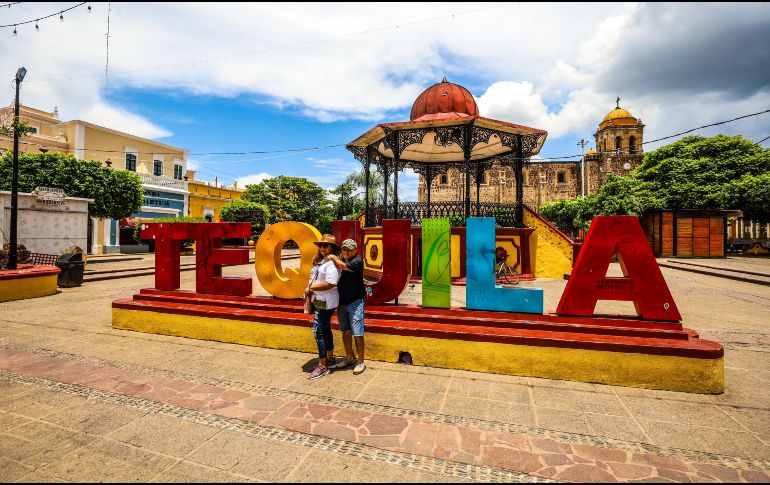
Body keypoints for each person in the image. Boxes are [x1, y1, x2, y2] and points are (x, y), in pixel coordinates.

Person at [304, 234, 342, 380]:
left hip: (326, 302)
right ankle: (330, 358)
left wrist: (311, 288)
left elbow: (331, 283)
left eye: (325, 245)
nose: (322, 248)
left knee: (318, 331)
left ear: (332, 248)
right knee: (324, 329)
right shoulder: (322, 262)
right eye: (320, 245)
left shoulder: (331, 264)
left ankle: (322, 365)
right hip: (321, 301)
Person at [327, 238, 367, 375]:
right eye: (344, 249)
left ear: (355, 250)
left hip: (355, 302)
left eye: (349, 249)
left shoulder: (357, 261)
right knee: (345, 332)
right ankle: (349, 357)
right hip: (341, 303)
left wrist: (332, 257)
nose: (346, 251)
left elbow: (343, 267)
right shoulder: (340, 259)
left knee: (358, 333)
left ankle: (361, 361)